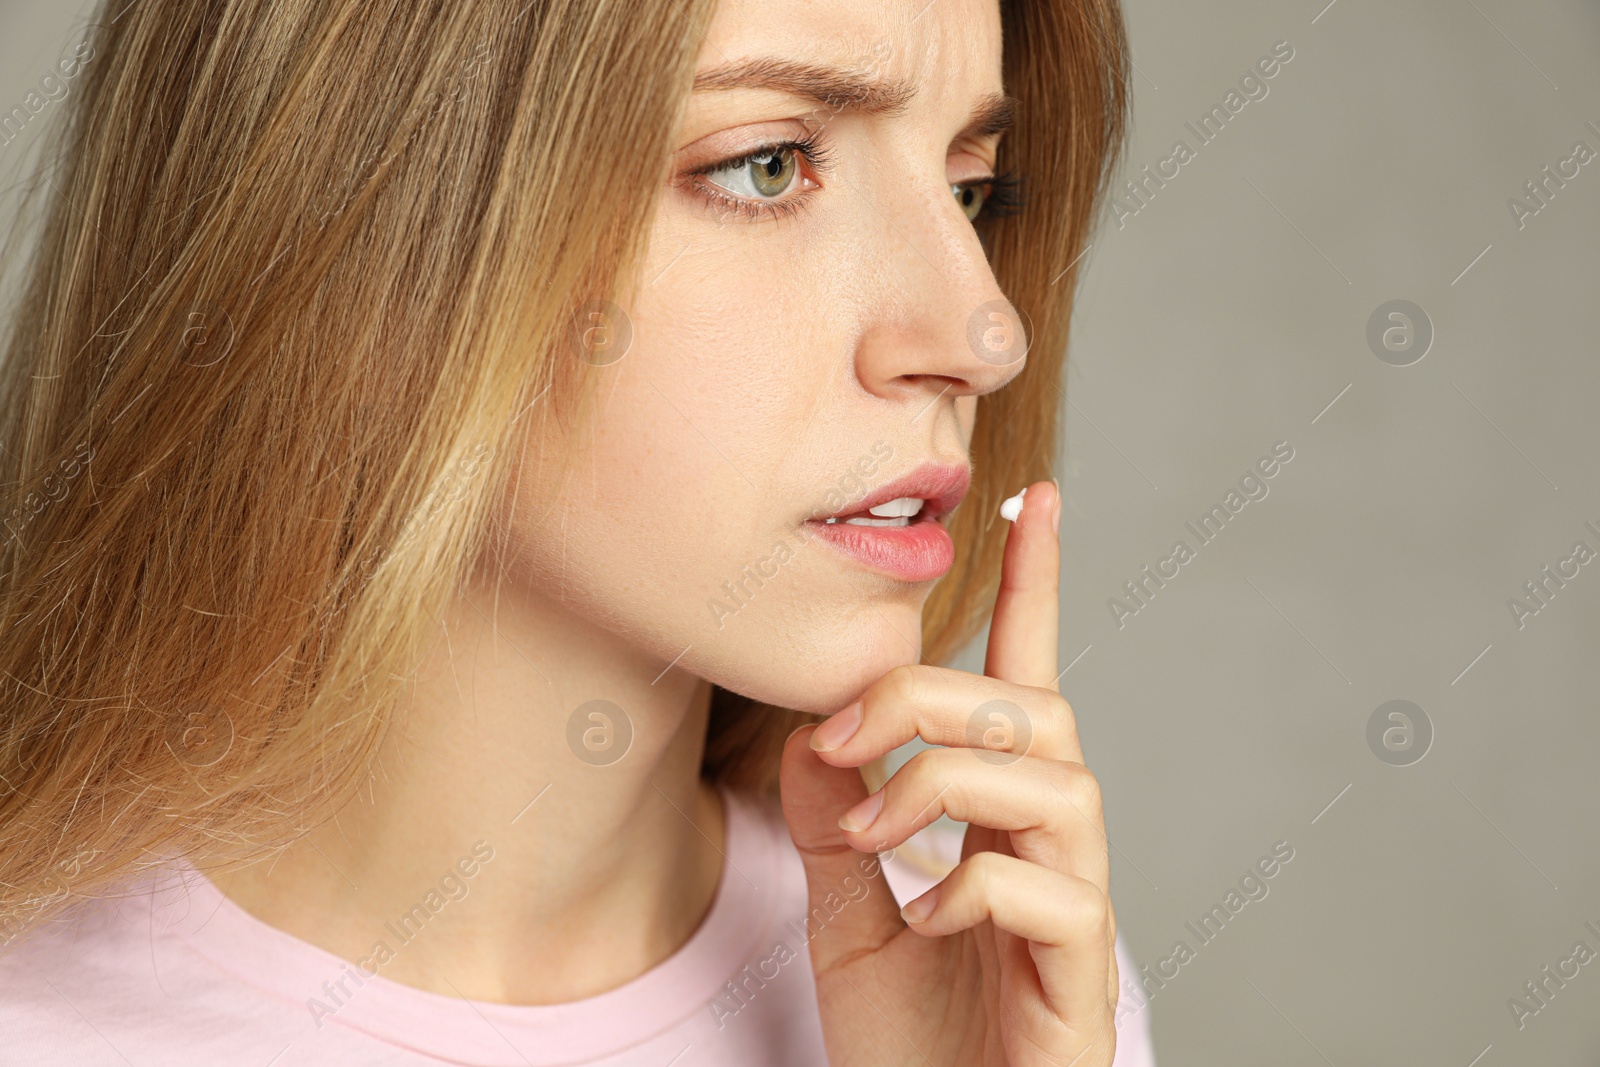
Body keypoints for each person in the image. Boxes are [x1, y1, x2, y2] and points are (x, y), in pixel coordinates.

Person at [0, 0, 1153, 1062]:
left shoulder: (997, 986)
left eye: (969, 191)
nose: (982, 331)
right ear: (356, 242)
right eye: (769, 166)